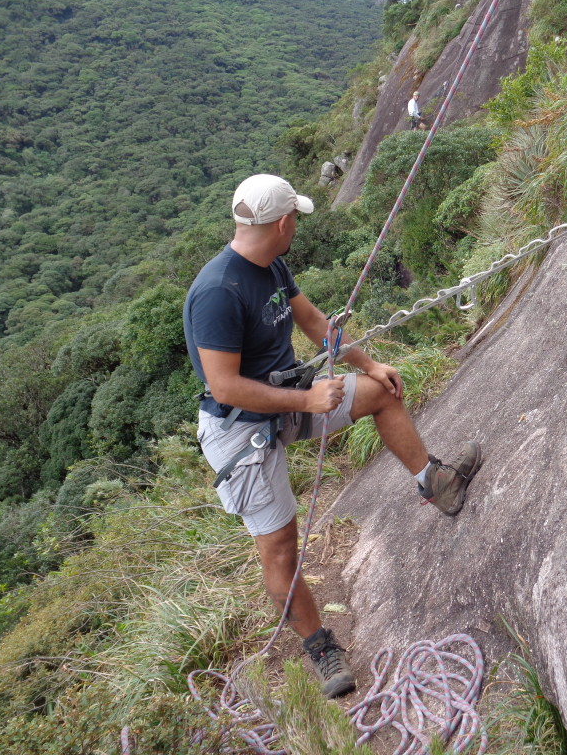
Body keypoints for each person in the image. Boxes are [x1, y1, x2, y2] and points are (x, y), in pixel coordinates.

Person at [182, 174, 482, 698]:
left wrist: (369, 363)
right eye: (294, 217)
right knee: (279, 546)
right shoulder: (217, 292)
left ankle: (434, 481)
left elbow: (315, 322)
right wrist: (306, 401)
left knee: (380, 394)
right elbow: (224, 386)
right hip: (239, 428)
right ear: (281, 222)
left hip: (288, 395)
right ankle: (319, 647)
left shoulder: (271, 264)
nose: (295, 225)